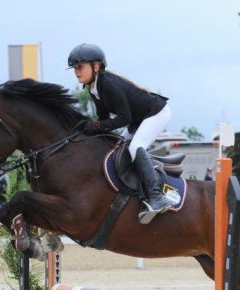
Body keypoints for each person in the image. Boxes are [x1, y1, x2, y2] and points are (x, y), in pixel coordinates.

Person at [67, 43, 172, 224]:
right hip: (138, 119)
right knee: (117, 148)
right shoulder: (93, 88)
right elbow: (103, 118)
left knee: (135, 147)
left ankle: (157, 197)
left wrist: (97, 126)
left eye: (80, 67)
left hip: (156, 113)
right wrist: (91, 129)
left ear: (96, 66)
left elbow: (124, 118)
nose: (76, 71)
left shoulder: (108, 83)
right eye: (74, 68)